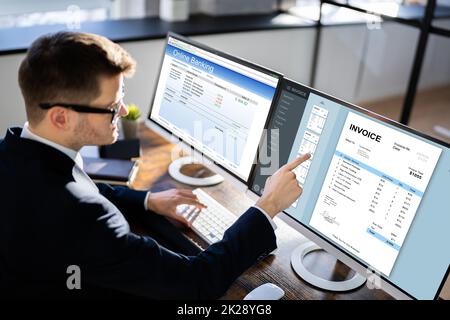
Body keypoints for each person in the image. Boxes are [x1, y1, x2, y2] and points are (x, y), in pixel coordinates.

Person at [0, 31, 310, 299]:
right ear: (60, 117)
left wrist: (148, 200)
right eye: (110, 107)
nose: (122, 111)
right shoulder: (80, 215)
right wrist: (267, 206)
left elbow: (82, 188)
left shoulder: (14, 151)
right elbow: (196, 283)